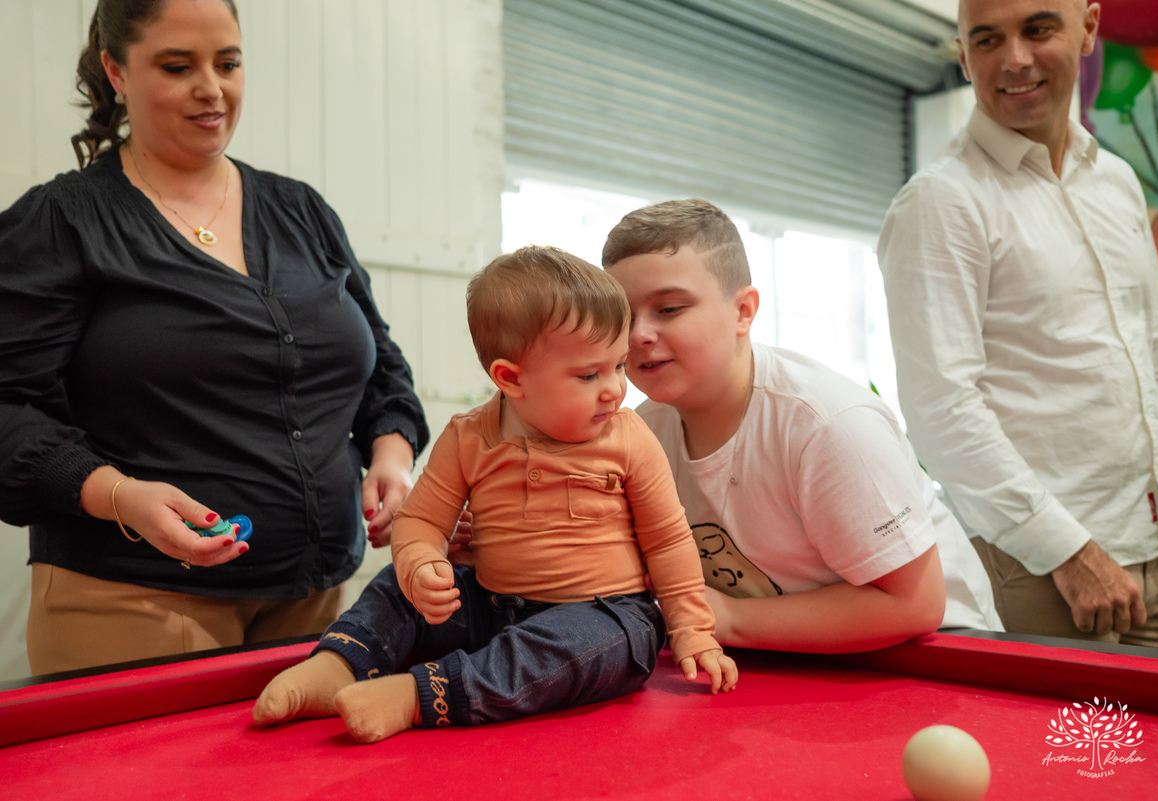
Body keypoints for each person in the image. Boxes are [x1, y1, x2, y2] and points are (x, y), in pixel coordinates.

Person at [0, 0, 429, 674]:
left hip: (313, 603)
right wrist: (118, 495)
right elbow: (6, 409)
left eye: (228, 63)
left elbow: (382, 369)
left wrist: (392, 456)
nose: (213, 88)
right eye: (178, 66)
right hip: (134, 604)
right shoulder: (62, 223)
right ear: (117, 70)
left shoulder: (302, 212)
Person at [253, 246, 736, 744]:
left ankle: (421, 696)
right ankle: (339, 663)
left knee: (593, 642)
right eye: (590, 375)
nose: (615, 389)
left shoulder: (629, 438)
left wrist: (693, 630)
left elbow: (668, 542)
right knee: (392, 588)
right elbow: (421, 522)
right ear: (510, 378)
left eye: (619, 365)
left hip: (604, 612)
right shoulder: (470, 436)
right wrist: (421, 566)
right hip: (490, 607)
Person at [876, 0, 1158, 651]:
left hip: (1149, 543)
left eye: (1038, 28)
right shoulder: (942, 201)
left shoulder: (1115, 182)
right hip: (1036, 567)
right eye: (988, 39)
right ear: (965, 57)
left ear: (1089, 26)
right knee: (1071, 758)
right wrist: (1069, 552)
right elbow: (941, 410)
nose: (1015, 58)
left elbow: (1156, 351)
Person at [601, 199, 1002, 654]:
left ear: (743, 311)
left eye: (669, 308)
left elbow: (915, 604)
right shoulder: (641, 432)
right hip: (784, 655)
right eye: (622, 316)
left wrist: (728, 618)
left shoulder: (826, 423)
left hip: (939, 654)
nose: (639, 335)